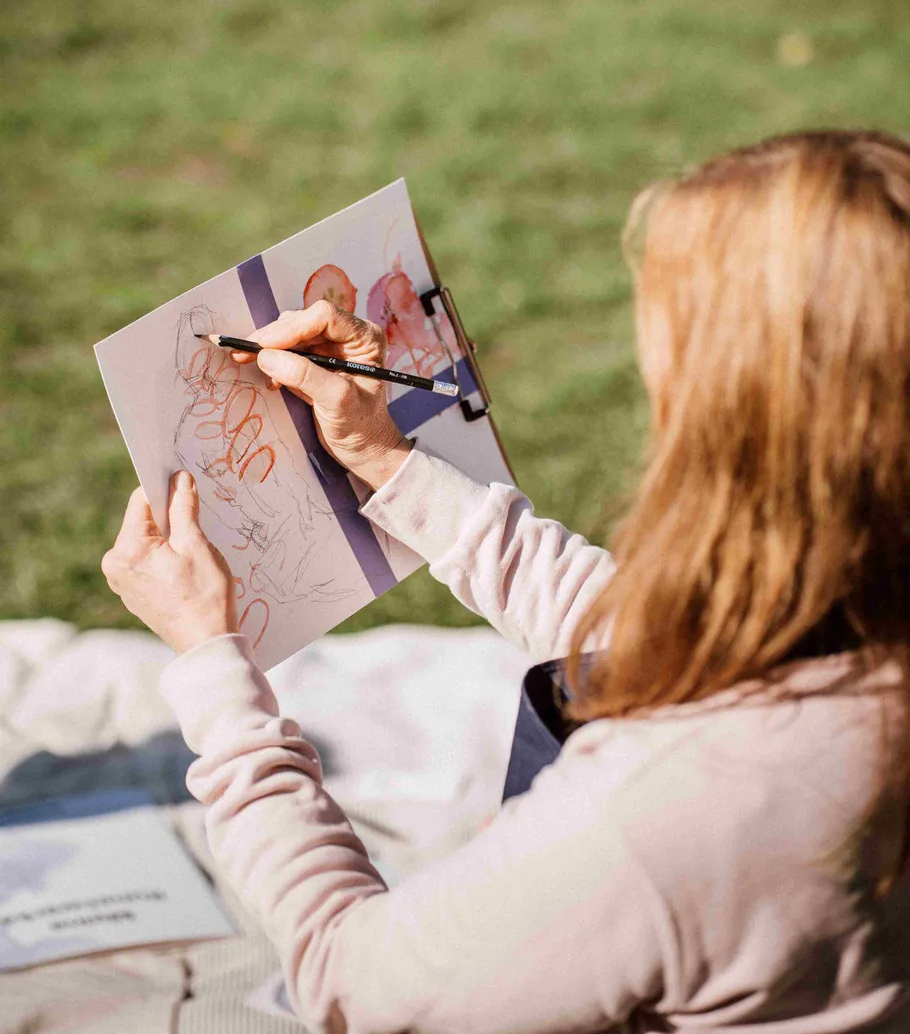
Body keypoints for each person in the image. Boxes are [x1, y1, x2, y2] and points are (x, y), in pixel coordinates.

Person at [101, 129, 910, 1033]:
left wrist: (217, 675)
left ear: (736, 406)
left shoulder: (670, 805)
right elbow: (643, 640)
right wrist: (388, 462)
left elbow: (350, 984)